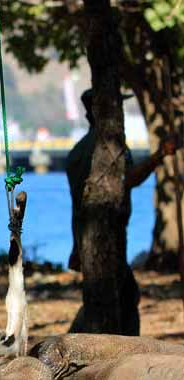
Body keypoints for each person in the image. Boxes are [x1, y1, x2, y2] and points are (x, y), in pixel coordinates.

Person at [66, 88, 176, 271]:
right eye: (116, 106)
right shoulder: (109, 146)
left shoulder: (77, 151)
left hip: (88, 236)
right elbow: (128, 179)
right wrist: (160, 154)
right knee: (121, 294)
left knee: (121, 293)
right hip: (105, 236)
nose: (121, 111)